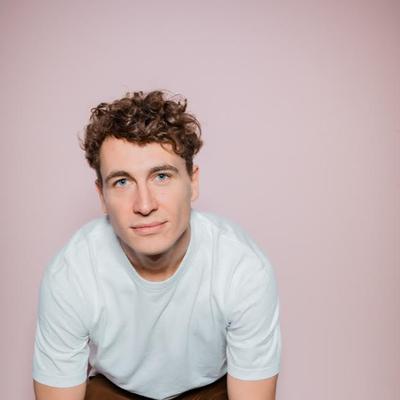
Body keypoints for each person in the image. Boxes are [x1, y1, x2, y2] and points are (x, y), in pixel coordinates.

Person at [32, 90, 281, 400]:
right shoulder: (71, 275)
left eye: (161, 176)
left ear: (193, 183)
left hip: (209, 391)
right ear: (102, 196)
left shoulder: (242, 268)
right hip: (116, 391)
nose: (144, 205)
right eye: (122, 182)